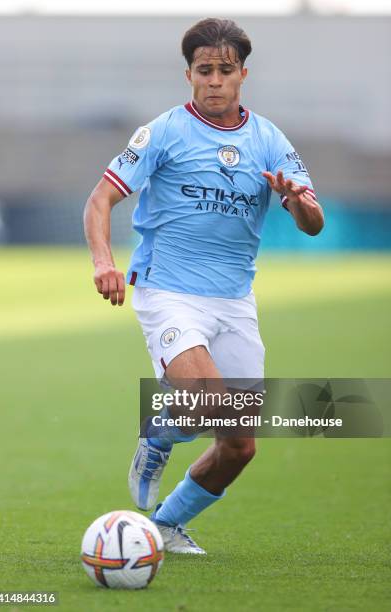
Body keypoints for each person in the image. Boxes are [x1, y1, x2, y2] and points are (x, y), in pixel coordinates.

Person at [83, 17, 324, 555]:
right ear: (189, 75)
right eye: (204, 70)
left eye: (225, 70)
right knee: (207, 406)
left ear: (243, 74)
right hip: (168, 291)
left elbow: (314, 223)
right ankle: (162, 432)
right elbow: (100, 199)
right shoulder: (164, 131)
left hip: (235, 300)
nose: (215, 80)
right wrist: (104, 262)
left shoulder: (269, 140)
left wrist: (300, 202)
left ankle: (165, 525)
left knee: (239, 445)